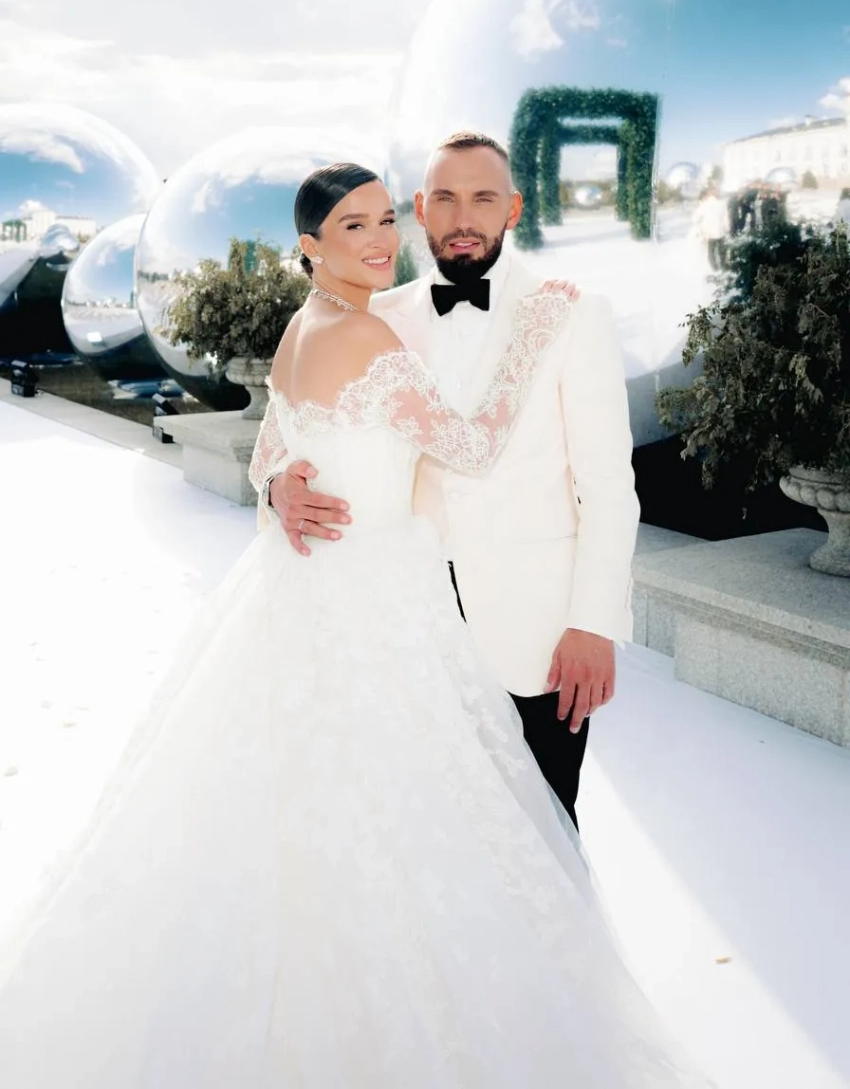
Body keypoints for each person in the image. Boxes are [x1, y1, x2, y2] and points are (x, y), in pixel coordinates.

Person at [0, 162, 711, 1087]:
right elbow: (473, 447)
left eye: (382, 220)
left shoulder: (306, 325)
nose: (380, 240)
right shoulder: (373, 330)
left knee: (331, 816)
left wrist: (280, 481)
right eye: (354, 226)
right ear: (310, 247)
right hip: (383, 607)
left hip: (350, 600)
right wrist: (529, 339)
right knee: (429, 824)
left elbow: (273, 443)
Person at [260, 131, 640, 830]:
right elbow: (303, 425)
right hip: (404, 634)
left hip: (534, 632)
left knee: (545, 835)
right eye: (445, 198)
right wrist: (280, 486)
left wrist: (593, 623)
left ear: (513, 208)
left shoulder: (572, 313)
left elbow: (610, 485)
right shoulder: (375, 312)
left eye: (483, 198)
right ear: (421, 209)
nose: (463, 218)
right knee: (423, 837)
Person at [693, 186, 730, 271]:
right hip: (721, 232)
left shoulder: (704, 205)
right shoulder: (722, 204)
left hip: (709, 234)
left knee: (711, 254)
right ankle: (724, 268)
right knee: (721, 252)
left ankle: (715, 269)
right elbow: (726, 219)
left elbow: (695, 218)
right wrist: (727, 229)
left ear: (708, 195)